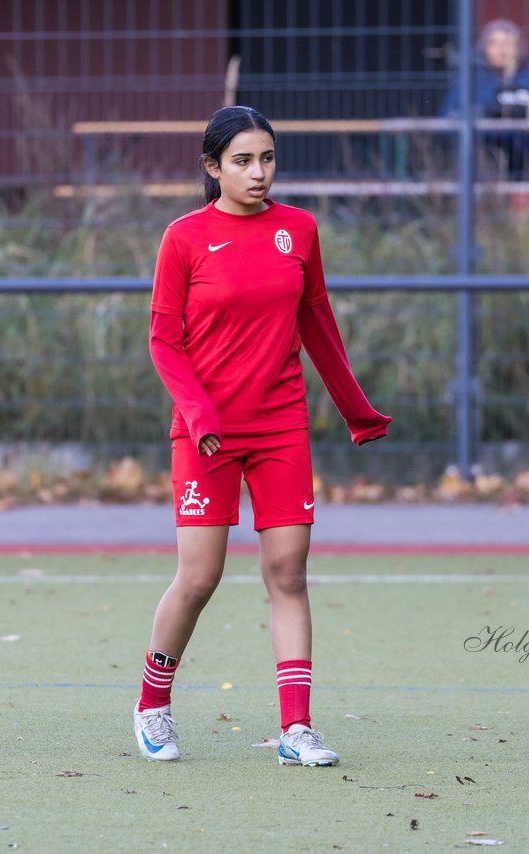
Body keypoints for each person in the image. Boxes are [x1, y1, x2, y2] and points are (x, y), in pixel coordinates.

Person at [132, 106, 391, 767]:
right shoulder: (184, 238)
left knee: (288, 572)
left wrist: (356, 409)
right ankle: (152, 705)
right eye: (243, 161)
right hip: (206, 433)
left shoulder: (298, 231)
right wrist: (198, 413)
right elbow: (164, 340)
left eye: (267, 158)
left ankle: (296, 728)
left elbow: (317, 322)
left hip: (281, 425)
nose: (258, 173)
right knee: (199, 577)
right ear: (213, 168)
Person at [441, 18, 529, 178]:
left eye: (508, 43)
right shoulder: (470, 81)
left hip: (528, 160)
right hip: (482, 163)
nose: (501, 50)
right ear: (484, 48)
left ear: (519, 47)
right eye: (493, 43)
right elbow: (448, 117)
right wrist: (485, 114)